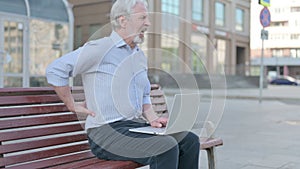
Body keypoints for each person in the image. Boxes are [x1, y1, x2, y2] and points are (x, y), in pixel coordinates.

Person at [46, 0, 200, 168]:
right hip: (105, 133)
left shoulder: (139, 56)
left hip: (134, 126)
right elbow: (55, 69)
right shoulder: (100, 48)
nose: (148, 23)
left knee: (190, 141)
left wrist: (153, 119)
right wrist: (70, 104)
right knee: (165, 147)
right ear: (122, 21)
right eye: (142, 18)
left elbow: (144, 94)